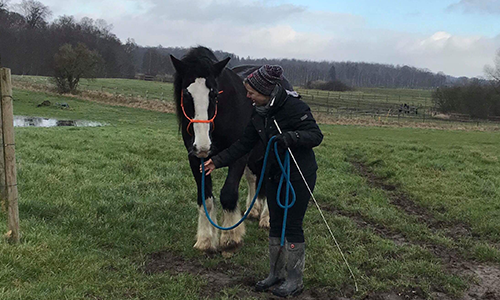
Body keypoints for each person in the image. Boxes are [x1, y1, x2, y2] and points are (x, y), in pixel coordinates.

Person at [202, 65, 323, 297]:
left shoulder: (294, 106)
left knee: (292, 225)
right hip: (274, 172)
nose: (248, 97)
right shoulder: (258, 112)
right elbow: (243, 143)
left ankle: (295, 279)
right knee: (275, 224)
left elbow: (316, 135)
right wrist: (217, 161)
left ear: (266, 91)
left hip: (298, 174)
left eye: (252, 93)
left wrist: (291, 137)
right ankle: (275, 274)